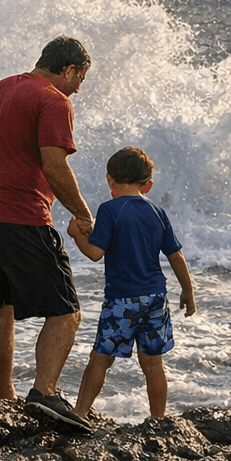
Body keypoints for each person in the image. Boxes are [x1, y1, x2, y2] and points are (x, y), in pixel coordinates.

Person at [0, 35, 96, 428]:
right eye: (80, 79)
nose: (78, 89)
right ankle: (45, 393)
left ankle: (5, 399)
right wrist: (83, 214)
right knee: (66, 312)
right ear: (69, 69)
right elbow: (54, 165)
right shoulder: (53, 100)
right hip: (20, 215)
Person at [72, 147, 196, 421]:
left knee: (101, 359)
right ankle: (158, 419)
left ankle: (79, 412)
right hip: (155, 297)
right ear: (147, 185)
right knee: (153, 365)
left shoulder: (109, 210)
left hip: (122, 300)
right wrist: (188, 292)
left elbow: (95, 253)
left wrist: (76, 236)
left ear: (110, 179)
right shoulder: (157, 212)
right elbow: (176, 256)